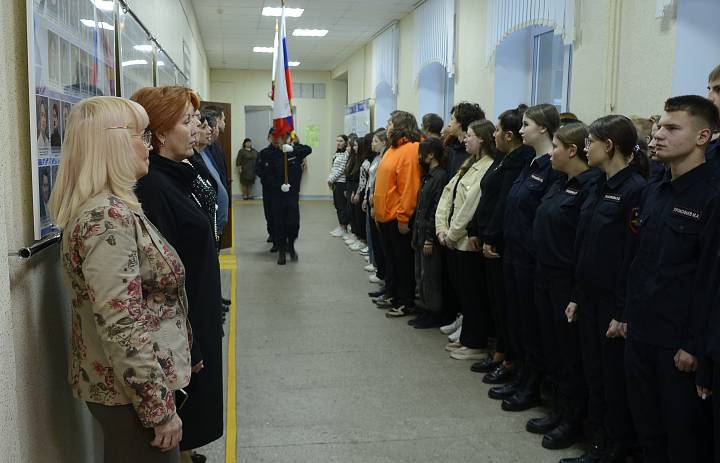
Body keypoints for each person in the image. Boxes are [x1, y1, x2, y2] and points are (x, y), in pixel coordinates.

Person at [48, 96, 190, 463]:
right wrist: (159, 409)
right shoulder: (107, 217)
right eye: (141, 136)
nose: (148, 147)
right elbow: (122, 323)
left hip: (128, 391)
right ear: (113, 143)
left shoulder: (111, 207)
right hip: (131, 397)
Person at [131, 86, 224, 462]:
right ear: (161, 133)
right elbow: (160, 279)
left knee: (195, 413)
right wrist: (191, 341)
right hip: (185, 328)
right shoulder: (154, 186)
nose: (197, 128)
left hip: (199, 311)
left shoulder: (176, 176)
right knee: (187, 407)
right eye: (187, 121)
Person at [626, 95, 719, 462]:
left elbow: (711, 282)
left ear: (703, 137)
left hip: (678, 344)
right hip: (642, 331)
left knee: (682, 438)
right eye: (659, 126)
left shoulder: (712, 197)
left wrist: (694, 345)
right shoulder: (654, 191)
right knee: (648, 430)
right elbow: (640, 263)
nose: (658, 135)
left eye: (671, 128)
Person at [561, 115, 648, 463]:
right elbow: (584, 246)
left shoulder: (635, 191)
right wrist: (576, 296)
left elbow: (633, 256)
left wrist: (623, 313)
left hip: (613, 304)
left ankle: (614, 447)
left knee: (613, 382)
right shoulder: (597, 184)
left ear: (608, 146)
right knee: (593, 374)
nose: (585, 148)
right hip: (589, 297)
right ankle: (597, 440)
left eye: (590, 142)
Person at [529, 122, 602, 450]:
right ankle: (558, 409)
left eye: (556, 146)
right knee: (554, 348)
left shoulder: (590, 185)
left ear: (573, 150)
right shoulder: (561, 181)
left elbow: (584, 243)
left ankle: (572, 419)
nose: (551, 152)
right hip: (544, 275)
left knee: (570, 354)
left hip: (566, 281)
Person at [498, 103, 563, 413]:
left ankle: (533, 385)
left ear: (544, 128)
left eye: (526, 124)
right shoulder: (531, 162)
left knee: (532, 325)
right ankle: (521, 375)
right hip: (513, 253)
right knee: (518, 321)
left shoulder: (554, 166)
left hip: (531, 258)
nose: (520, 130)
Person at [466, 106, 533, 386]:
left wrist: (491, 236)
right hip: (486, 237)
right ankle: (500, 353)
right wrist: (475, 229)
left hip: (498, 243)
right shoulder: (504, 158)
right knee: (495, 302)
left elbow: (504, 202)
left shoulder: (520, 160)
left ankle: (508, 358)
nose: (493, 134)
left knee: (505, 306)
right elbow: (487, 197)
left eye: (496, 130)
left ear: (509, 134)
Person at [436, 119, 496, 360]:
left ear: (482, 138)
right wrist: (441, 228)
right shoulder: (469, 163)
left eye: (469, 135)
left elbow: (469, 207)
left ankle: (475, 343)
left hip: (462, 242)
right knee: (464, 294)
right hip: (452, 239)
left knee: (473, 296)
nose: (465, 139)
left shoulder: (488, 166)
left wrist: (451, 234)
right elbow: (447, 196)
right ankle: (467, 338)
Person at [374, 111, 422, 317]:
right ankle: (394, 295)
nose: (388, 127)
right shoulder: (392, 149)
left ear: (401, 126)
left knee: (403, 262)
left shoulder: (411, 149)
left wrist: (403, 218)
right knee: (392, 260)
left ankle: (406, 302)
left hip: (397, 218)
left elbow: (409, 187)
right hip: (385, 216)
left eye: (390, 123)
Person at [409, 137, 447, 328]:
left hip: (428, 235)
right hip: (419, 232)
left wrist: (430, 238)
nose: (418, 157)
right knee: (419, 274)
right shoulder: (427, 176)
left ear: (431, 155)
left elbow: (436, 209)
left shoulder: (440, 177)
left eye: (421, 153)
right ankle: (423, 308)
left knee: (430, 276)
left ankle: (433, 312)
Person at [264, 131, 312, 265]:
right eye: (279, 138)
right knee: (279, 223)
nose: (281, 140)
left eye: (284, 138)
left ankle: (291, 245)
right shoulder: (271, 155)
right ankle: (281, 251)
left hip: (292, 196)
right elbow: (267, 176)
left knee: (293, 223)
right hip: (278, 196)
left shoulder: (294, 152)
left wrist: (293, 148)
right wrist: (279, 185)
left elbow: (308, 149)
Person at [197, 112, 229, 237]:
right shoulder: (195, 158)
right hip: (208, 229)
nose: (210, 130)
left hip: (215, 227)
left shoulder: (206, 152)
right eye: (203, 126)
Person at [256, 129, 277, 246]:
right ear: (269, 137)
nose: (275, 138)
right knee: (269, 212)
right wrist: (266, 179)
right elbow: (258, 169)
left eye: (278, 136)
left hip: (280, 191)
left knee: (280, 213)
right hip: (268, 189)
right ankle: (272, 233)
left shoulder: (284, 152)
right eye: (272, 136)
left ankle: (280, 235)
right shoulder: (264, 153)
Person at [328, 134, 350, 237]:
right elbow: (333, 168)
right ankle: (341, 226)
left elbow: (342, 170)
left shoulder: (346, 154)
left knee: (341, 206)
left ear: (345, 142)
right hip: (335, 182)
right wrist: (330, 179)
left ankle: (344, 227)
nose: (339, 143)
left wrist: (331, 179)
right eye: (337, 141)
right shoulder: (337, 154)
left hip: (341, 183)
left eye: (341, 141)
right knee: (337, 205)